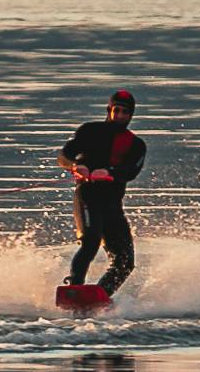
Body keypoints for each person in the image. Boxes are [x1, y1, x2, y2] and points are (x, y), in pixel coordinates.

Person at [60, 88, 148, 297]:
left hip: (112, 205)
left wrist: (109, 172)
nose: (120, 116)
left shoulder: (136, 145)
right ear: (108, 110)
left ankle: (99, 296)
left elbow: (131, 171)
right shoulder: (89, 131)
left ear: (131, 115)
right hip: (87, 197)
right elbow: (64, 155)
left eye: (125, 112)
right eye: (116, 111)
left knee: (125, 261)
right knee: (91, 242)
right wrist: (74, 166)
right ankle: (74, 287)